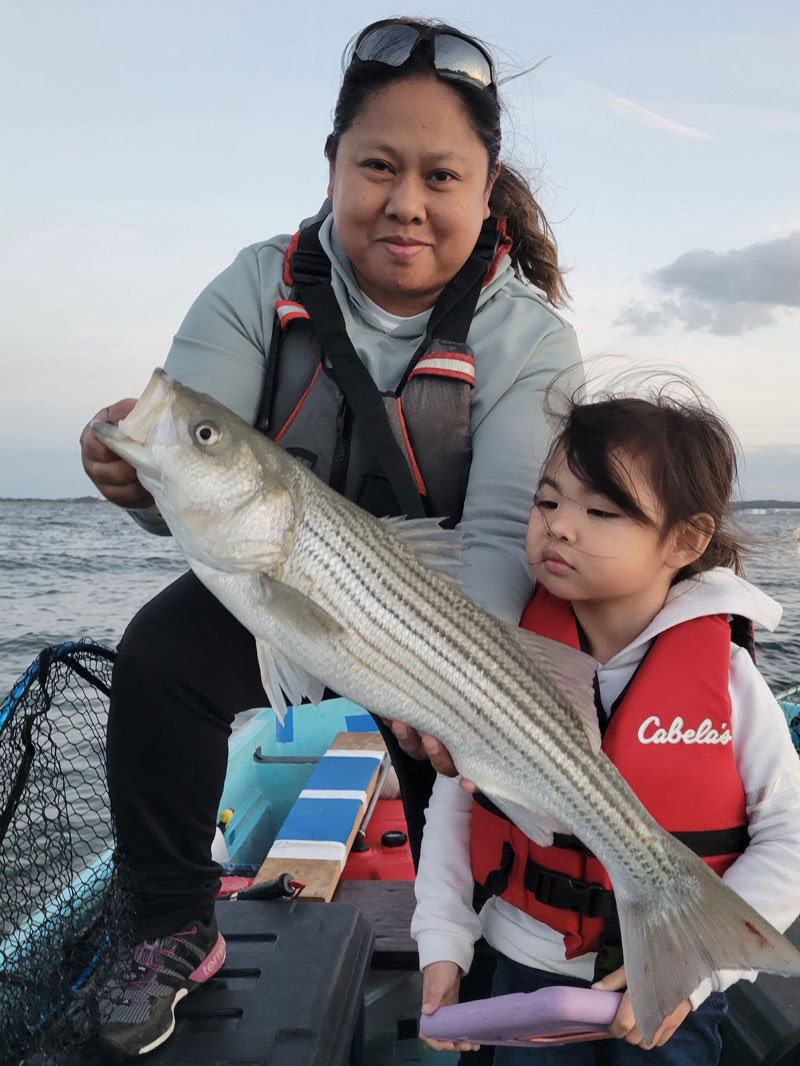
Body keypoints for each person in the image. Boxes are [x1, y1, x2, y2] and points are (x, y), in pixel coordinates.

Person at [79, 16, 582, 1060]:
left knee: (467, 799)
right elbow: (197, 473)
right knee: (160, 657)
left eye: (440, 176)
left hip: (442, 622)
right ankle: (170, 920)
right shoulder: (253, 284)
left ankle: (495, 943)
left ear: (483, 191)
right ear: (332, 168)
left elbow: (498, 531)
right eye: (378, 168)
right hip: (277, 582)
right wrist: (134, 475)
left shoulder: (527, 335)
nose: (405, 202)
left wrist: (449, 694)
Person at [412, 386, 800, 1064]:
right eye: (547, 501)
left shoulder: (730, 682)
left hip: (679, 992)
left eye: (600, 510)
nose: (560, 526)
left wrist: (698, 971)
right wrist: (443, 944)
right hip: (529, 969)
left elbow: (790, 836)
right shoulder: (504, 654)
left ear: (685, 539)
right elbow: (456, 801)